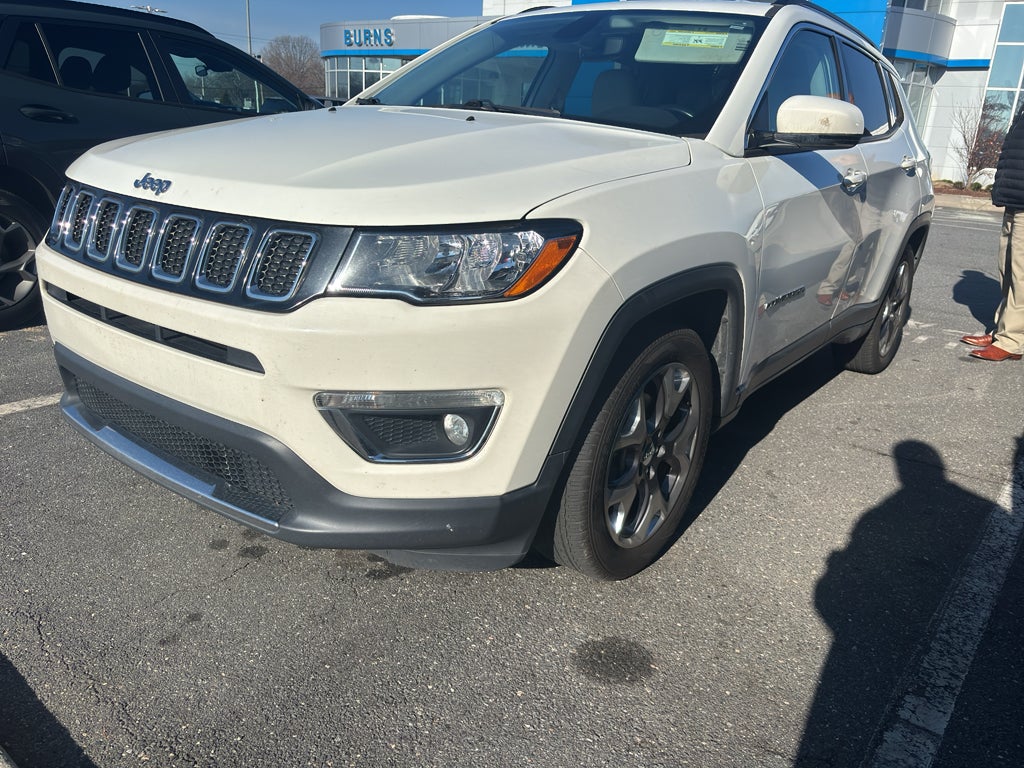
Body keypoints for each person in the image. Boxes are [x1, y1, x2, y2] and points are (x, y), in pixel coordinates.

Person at [962, 109, 1024, 361]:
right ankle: (1002, 331)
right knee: (1007, 270)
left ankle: (1012, 340)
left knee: (1022, 277)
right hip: (1015, 199)